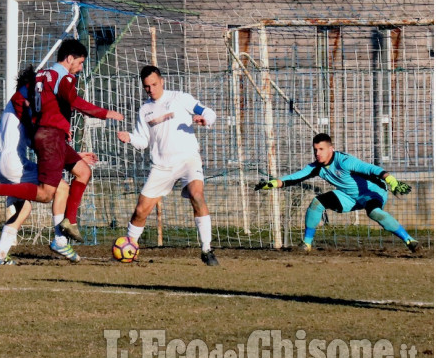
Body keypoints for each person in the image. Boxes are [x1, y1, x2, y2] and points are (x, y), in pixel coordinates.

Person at [0, 39, 123, 261]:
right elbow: (64, 106)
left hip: (15, 154)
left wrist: (66, 148)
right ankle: (59, 238)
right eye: (81, 63)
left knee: (29, 206)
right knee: (53, 191)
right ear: (70, 58)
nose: (81, 68)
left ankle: (0, 254)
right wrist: (103, 113)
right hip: (17, 157)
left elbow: (37, 131)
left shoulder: (35, 86)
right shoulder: (45, 86)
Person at [0, 67, 98, 264]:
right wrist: (68, 154)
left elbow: (36, 143)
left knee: (25, 208)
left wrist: (69, 154)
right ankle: (60, 240)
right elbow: (42, 144)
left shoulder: (13, 104)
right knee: (61, 187)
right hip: (13, 162)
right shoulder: (23, 102)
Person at [117, 65, 219, 266]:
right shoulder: (145, 110)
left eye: (154, 84)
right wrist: (129, 138)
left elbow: (209, 112)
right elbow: (143, 141)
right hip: (162, 166)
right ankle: (130, 248)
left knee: (197, 195)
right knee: (140, 211)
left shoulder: (180, 98)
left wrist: (204, 119)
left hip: (188, 160)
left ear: (162, 81)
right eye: (147, 87)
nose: (151, 90)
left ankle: (207, 249)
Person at [254, 133, 419, 253]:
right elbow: (293, 178)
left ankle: (409, 240)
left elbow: (371, 169)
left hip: (371, 192)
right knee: (317, 203)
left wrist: (391, 181)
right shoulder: (316, 167)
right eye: (315, 149)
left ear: (331, 149)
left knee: (374, 212)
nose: (317, 153)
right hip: (348, 196)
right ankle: (306, 244)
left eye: (321, 149)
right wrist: (272, 183)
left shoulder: (345, 161)